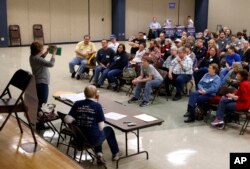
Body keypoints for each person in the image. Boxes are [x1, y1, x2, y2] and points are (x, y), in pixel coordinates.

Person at [64, 85, 120, 164]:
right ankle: (116, 153)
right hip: (92, 140)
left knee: (94, 130)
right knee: (108, 130)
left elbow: (67, 120)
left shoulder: (77, 103)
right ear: (96, 95)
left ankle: (99, 154)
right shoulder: (97, 106)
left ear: (84, 94)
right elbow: (101, 127)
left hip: (79, 138)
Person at [29, 41, 56, 130]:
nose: (43, 49)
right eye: (42, 48)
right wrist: (53, 54)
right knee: (42, 103)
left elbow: (41, 58)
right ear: (39, 50)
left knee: (39, 103)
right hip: (42, 83)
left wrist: (47, 51)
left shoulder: (33, 57)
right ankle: (39, 124)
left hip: (38, 82)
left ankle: (35, 121)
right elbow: (50, 64)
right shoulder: (37, 58)